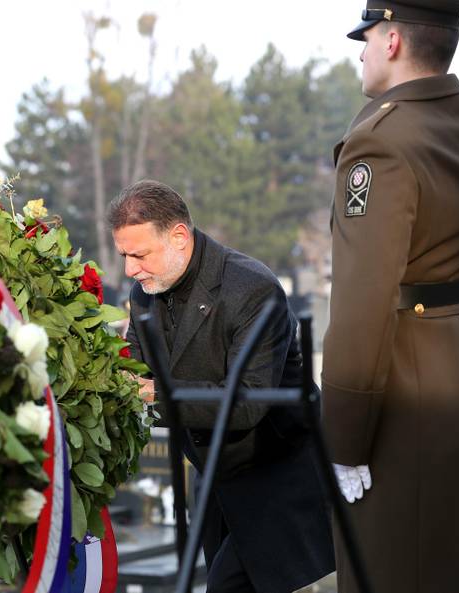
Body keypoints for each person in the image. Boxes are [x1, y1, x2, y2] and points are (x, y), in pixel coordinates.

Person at [321, 2, 459, 592]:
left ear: (392, 41)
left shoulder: (378, 146)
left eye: (367, 37)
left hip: (405, 385)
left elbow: (361, 305)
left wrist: (345, 437)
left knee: (395, 567)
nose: (361, 52)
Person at [113, 180, 334, 593]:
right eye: (124, 255)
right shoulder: (144, 295)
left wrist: (150, 393)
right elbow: (134, 373)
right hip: (214, 476)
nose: (130, 270)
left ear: (179, 237)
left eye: (139, 255)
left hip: (276, 476)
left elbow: (247, 402)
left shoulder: (250, 287)